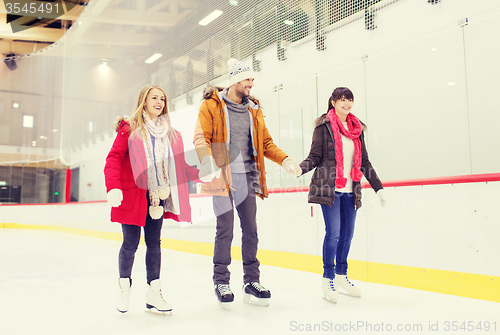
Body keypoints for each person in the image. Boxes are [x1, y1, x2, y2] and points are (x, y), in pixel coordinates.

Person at [193, 58, 301, 309]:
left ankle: (252, 281)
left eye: (252, 79)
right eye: (248, 79)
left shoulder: (253, 110)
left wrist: (285, 160)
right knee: (225, 228)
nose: (252, 84)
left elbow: (265, 144)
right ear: (235, 80)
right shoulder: (211, 106)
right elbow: (201, 137)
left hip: (247, 176)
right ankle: (221, 280)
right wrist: (206, 161)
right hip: (221, 175)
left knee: (250, 230)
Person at [104, 84, 207, 314]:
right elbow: (113, 158)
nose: (159, 102)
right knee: (130, 244)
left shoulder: (171, 134)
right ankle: (124, 288)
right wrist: (113, 187)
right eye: (154, 98)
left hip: (157, 198)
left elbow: (180, 166)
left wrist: (202, 174)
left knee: (154, 245)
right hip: (133, 195)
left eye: (162, 98)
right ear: (144, 100)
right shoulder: (129, 128)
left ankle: (154, 293)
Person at [298, 87, 386, 303]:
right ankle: (327, 278)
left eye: (349, 100)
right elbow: (315, 156)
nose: (346, 103)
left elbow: (364, 162)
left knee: (347, 235)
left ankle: (341, 276)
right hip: (329, 189)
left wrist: (379, 187)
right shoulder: (323, 127)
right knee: (334, 233)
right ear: (333, 102)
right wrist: (300, 168)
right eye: (342, 99)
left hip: (351, 191)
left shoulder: (357, 129)